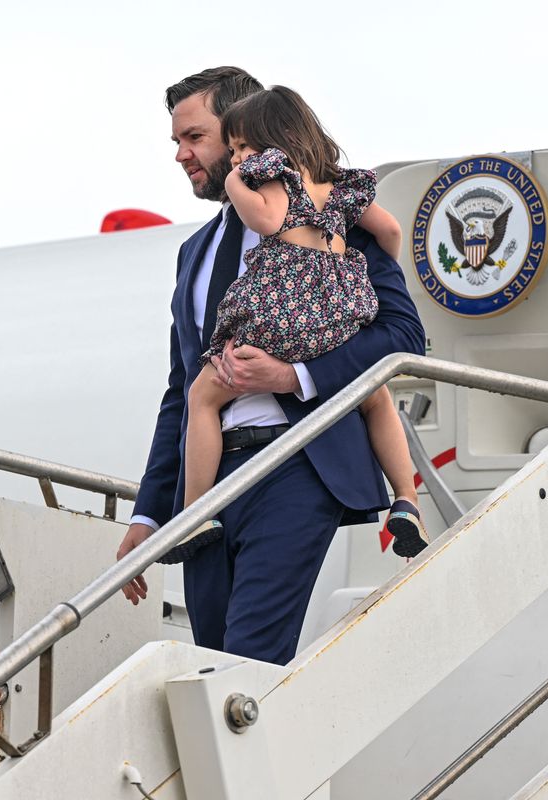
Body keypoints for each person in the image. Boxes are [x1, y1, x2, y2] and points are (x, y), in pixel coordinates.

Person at [116, 68, 426, 666]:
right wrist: (152, 512)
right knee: (211, 661)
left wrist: (294, 377)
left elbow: (401, 334)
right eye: (176, 141)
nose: (182, 155)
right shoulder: (194, 254)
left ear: (244, 128)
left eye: (196, 137)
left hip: (296, 462)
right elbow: (182, 391)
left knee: (250, 657)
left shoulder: (329, 212)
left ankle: (405, 498)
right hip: (207, 488)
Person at [180, 85, 428, 560]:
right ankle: (407, 499)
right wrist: (359, 271)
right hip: (339, 306)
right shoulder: (340, 186)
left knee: (202, 395)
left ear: (271, 141)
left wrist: (236, 185)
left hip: (283, 311)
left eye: (241, 147)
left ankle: (196, 510)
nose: (237, 158)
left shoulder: (268, 177)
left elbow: (268, 222)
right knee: (373, 396)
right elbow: (391, 231)